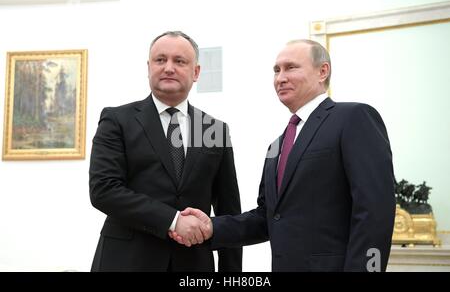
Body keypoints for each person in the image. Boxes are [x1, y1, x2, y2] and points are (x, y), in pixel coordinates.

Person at [171, 39, 396, 272]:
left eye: (291, 67)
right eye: (276, 70)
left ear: (322, 71)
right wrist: (212, 227)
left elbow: (374, 211)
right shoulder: (276, 146)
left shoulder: (353, 118)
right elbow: (266, 218)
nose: (280, 78)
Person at [89, 31, 242, 272]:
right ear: (149, 67)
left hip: (193, 265)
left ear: (196, 72)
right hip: (126, 261)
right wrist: (173, 221)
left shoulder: (215, 130)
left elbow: (229, 211)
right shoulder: (117, 120)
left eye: (179, 61)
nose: (169, 68)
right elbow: (104, 190)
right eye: (160, 60)